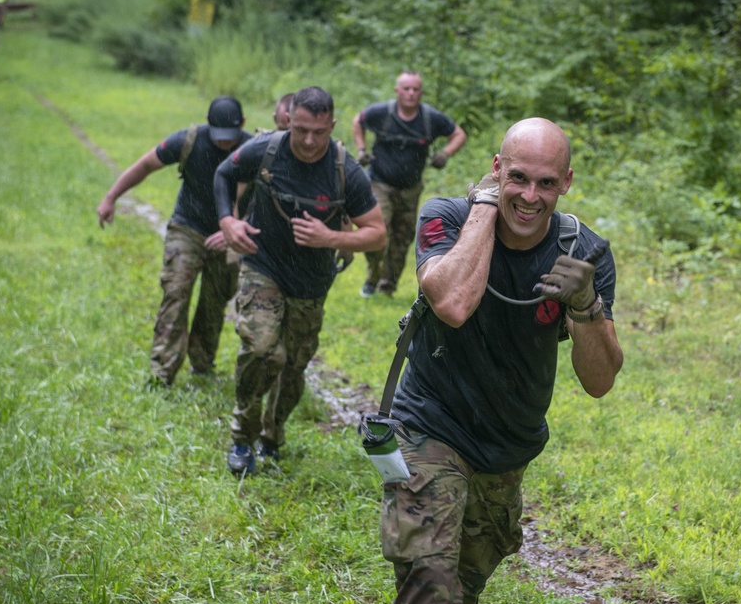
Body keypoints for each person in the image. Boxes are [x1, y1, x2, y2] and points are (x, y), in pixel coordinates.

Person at [378, 118, 624, 604]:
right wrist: (485, 209)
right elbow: (453, 303)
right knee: (430, 578)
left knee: (458, 587)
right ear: (496, 169)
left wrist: (586, 304)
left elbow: (599, 380)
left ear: (567, 183)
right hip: (429, 424)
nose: (530, 197)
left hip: (507, 445)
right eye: (517, 178)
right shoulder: (446, 216)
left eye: (546, 183)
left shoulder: (584, 251)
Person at [215, 86, 386, 474]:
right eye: (301, 129)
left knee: (293, 365)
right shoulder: (266, 150)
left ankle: (272, 438)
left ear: (332, 126)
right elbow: (224, 174)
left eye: (319, 132)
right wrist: (227, 220)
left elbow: (377, 232)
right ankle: (242, 436)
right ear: (289, 119)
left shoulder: (345, 169)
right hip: (263, 265)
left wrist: (332, 239)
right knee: (261, 348)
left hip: (311, 283)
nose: (309, 141)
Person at [97, 96, 251, 387]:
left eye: (229, 138)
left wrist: (236, 229)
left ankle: (203, 365)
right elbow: (144, 165)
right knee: (175, 293)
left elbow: (265, 201)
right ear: (209, 125)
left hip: (232, 236)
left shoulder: (253, 149)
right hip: (188, 228)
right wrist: (110, 197)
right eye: (218, 136)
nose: (223, 144)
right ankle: (162, 371)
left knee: (213, 301)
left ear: (241, 126)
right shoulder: (188, 140)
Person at [352, 71, 467, 298]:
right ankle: (372, 276)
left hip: (411, 189)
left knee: (401, 239)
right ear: (397, 91)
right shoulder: (381, 113)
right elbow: (358, 121)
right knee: (379, 231)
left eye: (415, 89)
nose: (411, 93)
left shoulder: (430, 119)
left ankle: (388, 286)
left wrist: (445, 153)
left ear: (421, 92)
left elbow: (458, 134)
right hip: (380, 183)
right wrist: (361, 149)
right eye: (406, 89)